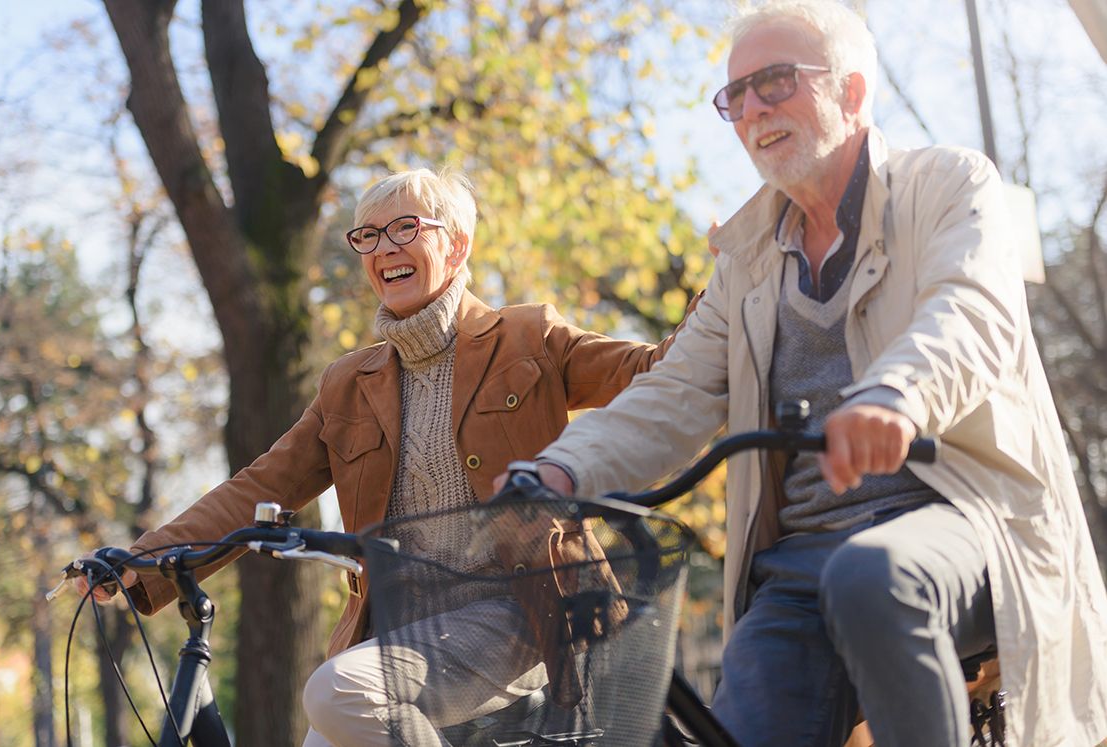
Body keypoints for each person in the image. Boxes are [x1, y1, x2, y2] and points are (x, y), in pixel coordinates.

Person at [499, 1, 1107, 745]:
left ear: (851, 91)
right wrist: (560, 469)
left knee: (871, 578)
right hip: (800, 567)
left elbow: (969, 311)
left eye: (776, 81)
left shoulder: (947, 184)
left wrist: (895, 395)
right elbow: (671, 392)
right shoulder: (746, 263)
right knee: (729, 722)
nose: (753, 107)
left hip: (967, 520)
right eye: (735, 95)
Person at [76, 167, 699, 746]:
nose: (383, 248)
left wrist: (723, 297)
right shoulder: (348, 384)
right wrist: (141, 560)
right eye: (368, 236)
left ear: (456, 245)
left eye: (405, 228)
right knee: (332, 718)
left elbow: (651, 370)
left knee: (338, 693)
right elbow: (259, 485)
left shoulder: (527, 337)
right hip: (396, 637)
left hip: (523, 616)